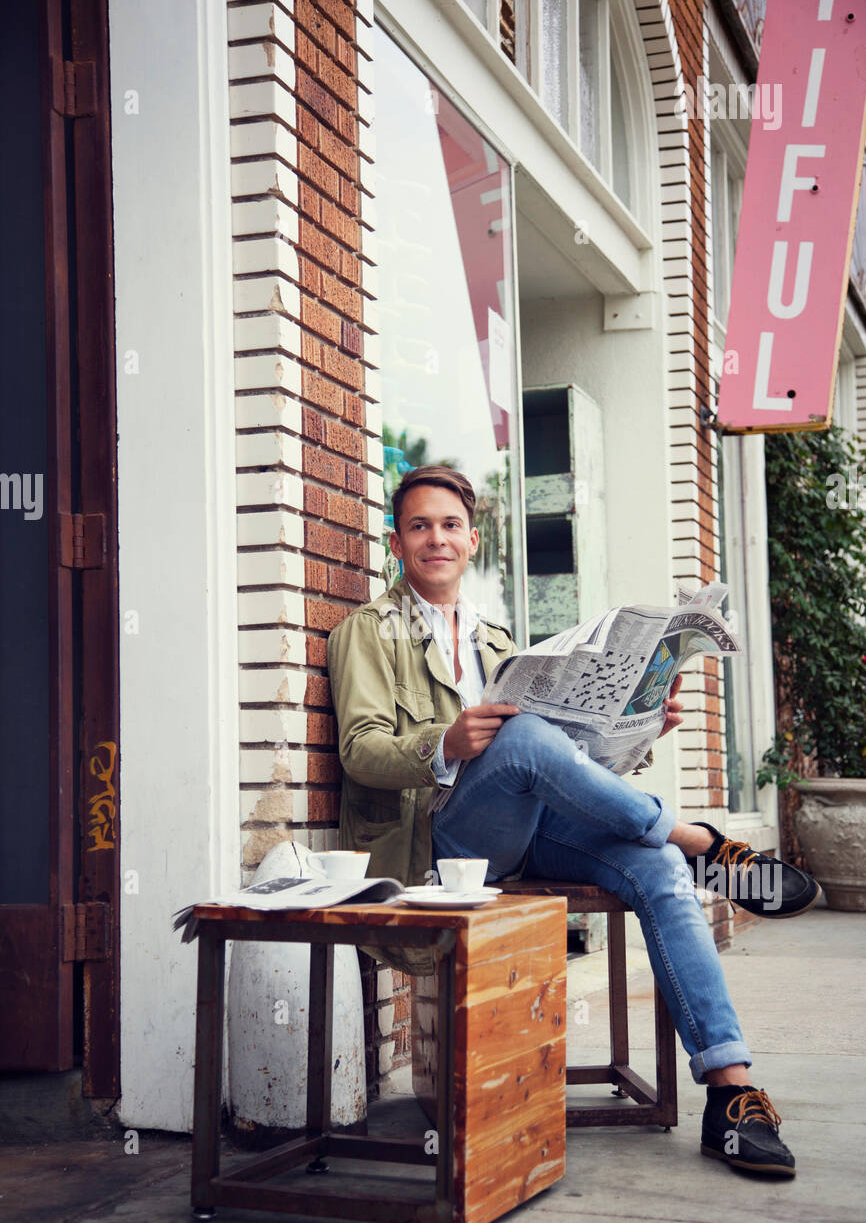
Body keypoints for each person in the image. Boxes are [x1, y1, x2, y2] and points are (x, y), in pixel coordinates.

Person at [327, 466, 821, 1177]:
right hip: (444, 840)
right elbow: (361, 751)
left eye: (449, 525)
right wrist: (445, 743)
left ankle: (730, 1093)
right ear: (396, 543)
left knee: (652, 868)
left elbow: (572, 762)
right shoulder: (365, 633)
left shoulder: (498, 640)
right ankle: (701, 843)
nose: (436, 537)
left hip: (529, 831)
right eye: (418, 525)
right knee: (524, 739)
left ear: (472, 540)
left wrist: (644, 729)